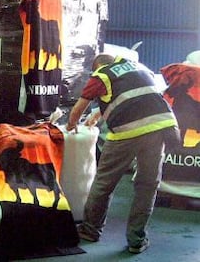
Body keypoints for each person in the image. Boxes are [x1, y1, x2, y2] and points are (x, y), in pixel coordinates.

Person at [65, 54, 179, 254]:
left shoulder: (101, 75)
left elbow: (77, 110)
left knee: (104, 183)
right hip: (161, 128)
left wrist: (71, 126)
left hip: (127, 133)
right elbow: (132, 97)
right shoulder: (138, 68)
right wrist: (97, 114)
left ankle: (90, 230)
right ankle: (137, 240)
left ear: (98, 66)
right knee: (147, 185)